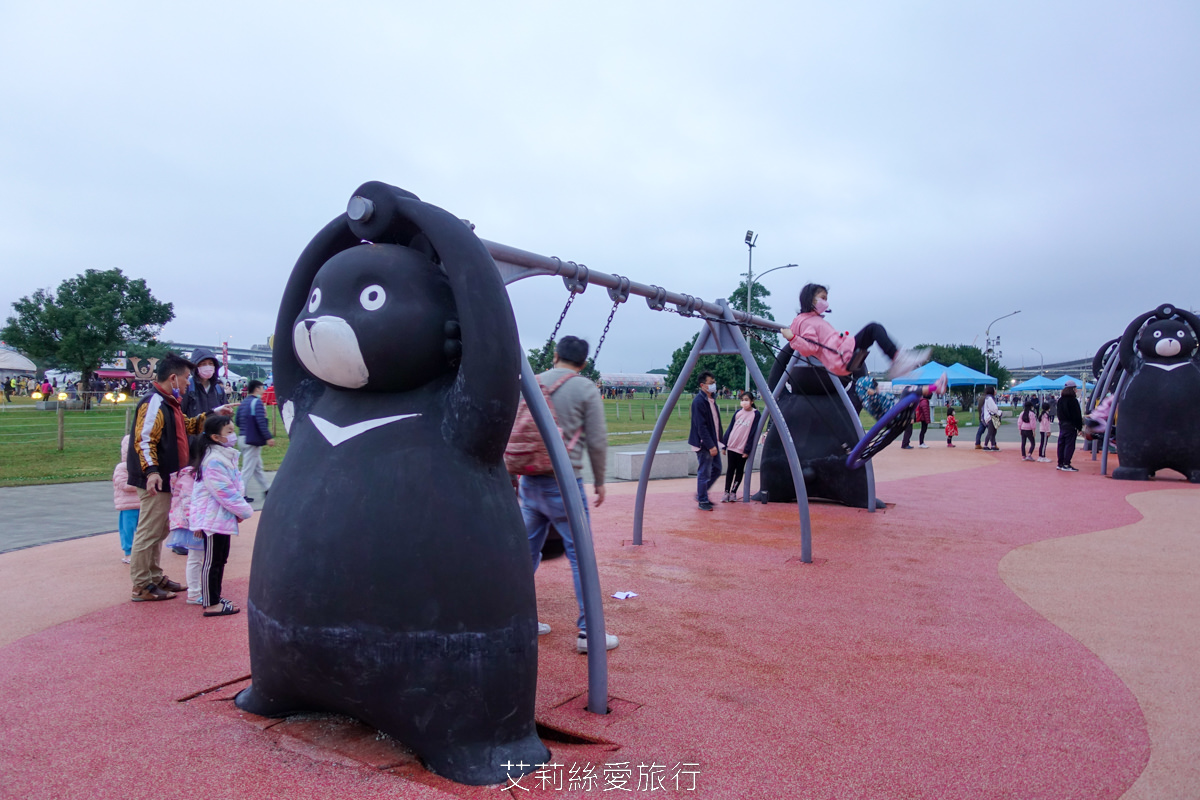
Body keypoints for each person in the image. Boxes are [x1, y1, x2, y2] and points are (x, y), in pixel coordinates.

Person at [518, 336, 615, 654]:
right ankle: (589, 633)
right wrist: (599, 480)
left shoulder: (531, 382)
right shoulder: (585, 388)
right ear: (583, 363)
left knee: (523, 555)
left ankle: (516, 620)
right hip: (565, 485)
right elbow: (597, 440)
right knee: (580, 557)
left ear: (555, 355)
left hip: (530, 481)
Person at [126, 353, 236, 602]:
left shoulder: (169, 403)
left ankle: (153, 575)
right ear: (173, 378)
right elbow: (144, 440)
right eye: (187, 378)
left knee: (159, 528)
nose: (189, 383)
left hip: (166, 476)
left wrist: (212, 414)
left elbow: (187, 425)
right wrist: (152, 471)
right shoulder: (154, 402)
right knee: (150, 529)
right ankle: (142, 582)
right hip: (157, 477)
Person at [779, 284, 929, 381]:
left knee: (873, 330)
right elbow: (810, 348)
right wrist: (792, 338)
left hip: (844, 354)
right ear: (809, 299)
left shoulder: (815, 319)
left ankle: (899, 361)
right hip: (840, 357)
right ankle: (898, 361)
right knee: (873, 328)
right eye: (822, 298)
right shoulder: (805, 321)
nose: (826, 302)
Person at [188, 414, 254, 616]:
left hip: (220, 516)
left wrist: (237, 509)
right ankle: (211, 602)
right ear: (216, 437)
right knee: (212, 561)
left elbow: (235, 484)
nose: (233, 436)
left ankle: (214, 596)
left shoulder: (225, 456)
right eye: (229, 432)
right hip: (212, 518)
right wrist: (243, 509)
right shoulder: (214, 460)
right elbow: (223, 490)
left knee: (219, 559)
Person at [164, 466, 205, 604]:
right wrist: (196, 524)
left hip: (200, 521)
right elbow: (188, 502)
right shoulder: (188, 477)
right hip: (193, 524)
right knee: (195, 557)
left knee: (201, 557)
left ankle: (200, 588)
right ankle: (194, 592)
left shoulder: (197, 473)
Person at [235, 380, 275, 502]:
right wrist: (268, 437)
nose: (263, 390)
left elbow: (237, 421)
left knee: (257, 467)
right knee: (247, 470)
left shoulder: (244, 402)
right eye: (262, 388)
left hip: (242, 437)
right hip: (252, 440)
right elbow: (261, 422)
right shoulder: (257, 402)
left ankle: (267, 489)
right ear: (257, 389)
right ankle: (240, 494)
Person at [689, 371, 723, 511]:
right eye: (710, 383)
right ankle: (702, 500)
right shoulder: (699, 402)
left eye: (714, 382)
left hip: (713, 441)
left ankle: (701, 493)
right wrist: (710, 445)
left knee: (717, 469)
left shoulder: (712, 400)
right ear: (702, 385)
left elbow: (715, 422)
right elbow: (701, 426)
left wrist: (719, 441)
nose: (713, 385)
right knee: (704, 472)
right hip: (705, 443)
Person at [720, 391, 762, 502]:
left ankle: (733, 492)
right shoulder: (738, 412)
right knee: (730, 469)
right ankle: (726, 492)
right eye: (742, 400)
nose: (744, 402)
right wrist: (724, 445)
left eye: (747, 400)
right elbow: (730, 427)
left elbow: (753, 433)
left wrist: (747, 449)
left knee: (739, 470)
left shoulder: (756, 414)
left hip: (742, 448)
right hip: (732, 445)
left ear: (752, 401)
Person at [112, 435, 140, 564]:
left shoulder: (143, 467)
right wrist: (141, 484)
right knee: (127, 529)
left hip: (142, 503)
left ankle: (141, 551)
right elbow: (123, 484)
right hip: (128, 505)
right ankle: (128, 552)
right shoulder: (122, 467)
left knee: (143, 529)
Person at [183, 348, 229, 418]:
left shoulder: (219, 390)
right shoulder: (187, 388)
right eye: (203, 364)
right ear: (195, 367)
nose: (208, 367)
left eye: (210, 363)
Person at [1056, 381, 1083, 472]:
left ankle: (1060, 463)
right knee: (1069, 445)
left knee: (1061, 444)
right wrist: (1079, 427)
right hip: (1071, 426)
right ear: (1073, 389)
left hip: (1062, 425)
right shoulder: (1073, 401)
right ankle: (1066, 464)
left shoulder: (1060, 400)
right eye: (1075, 388)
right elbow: (1077, 415)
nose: (1076, 390)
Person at [981, 386, 1001, 451]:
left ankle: (992, 445)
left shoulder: (988, 398)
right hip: (991, 417)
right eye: (994, 390)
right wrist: (999, 412)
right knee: (991, 432)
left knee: (993, 432)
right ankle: (986, 445)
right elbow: (994, 408)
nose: (995, 391)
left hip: (989, 417)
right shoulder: (990, 398)